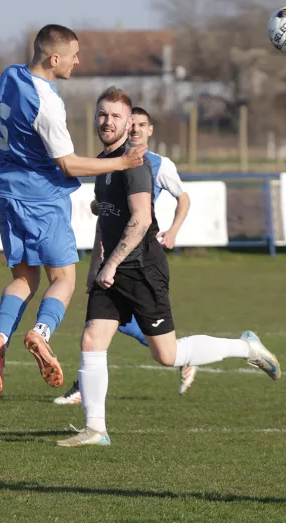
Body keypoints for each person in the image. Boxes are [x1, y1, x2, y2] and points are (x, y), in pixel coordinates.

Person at [56, 87, 280, 448]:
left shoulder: (136, 165)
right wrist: (96, 264)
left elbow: (142, 219)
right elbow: (107, 219)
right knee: (92, 339)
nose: (107, 121)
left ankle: (246, 348)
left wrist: (111, 264)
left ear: (129, 123)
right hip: (111, 269)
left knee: (167, 354)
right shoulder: (104, 161)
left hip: (142, 268)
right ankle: (96, 430)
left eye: (115, 116)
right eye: (102, 114)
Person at [0, 24, 146, 398]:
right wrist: (122, 164)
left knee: (24, 279)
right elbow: (69, 165)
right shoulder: (49, 105)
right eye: (73, 55)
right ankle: (40, 334)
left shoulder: (9, 76)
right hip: (41, 196)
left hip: (4, 189)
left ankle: (0, 336)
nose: (78, 61)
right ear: (55, 58)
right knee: (65, 280)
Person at [54, 106, 196, 405]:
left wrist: (173, 231)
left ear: (150, 129)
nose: (135, 130)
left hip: (141, 258)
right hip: (114, 254)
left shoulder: (158, 164)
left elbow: (179, 200)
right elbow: (105, 212)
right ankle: (92, 417)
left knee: (157, 348)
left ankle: (188, 353)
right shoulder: (111, 160)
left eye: (142, 125)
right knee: (96, 331)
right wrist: (97, 261)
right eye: (132, 124)